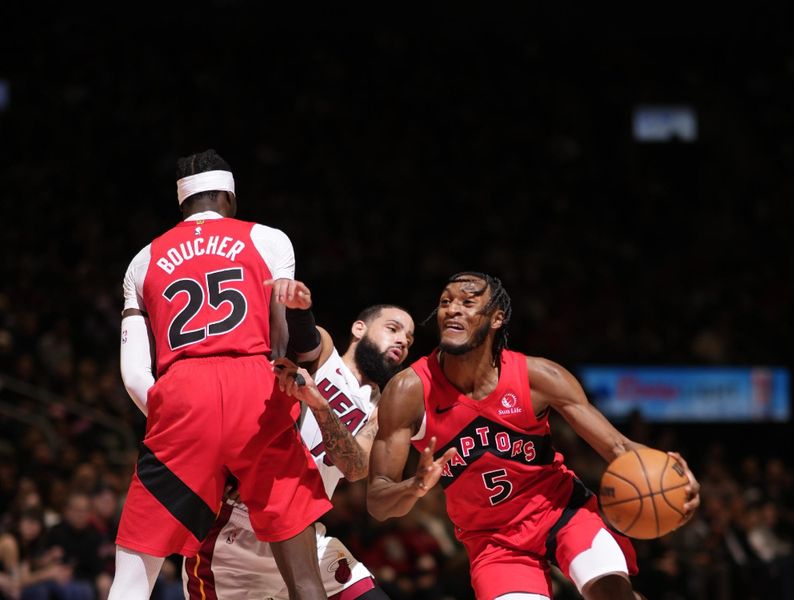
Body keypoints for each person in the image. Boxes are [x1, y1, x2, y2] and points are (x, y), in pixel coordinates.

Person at [367, 272, 702, 600]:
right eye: (445, 302)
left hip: (562, 512)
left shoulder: (537, 376)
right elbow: (378, 501)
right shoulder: (409, 391)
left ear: (496, 319)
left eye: (468, 303)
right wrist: (414, 486)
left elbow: (619, 446)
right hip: (493, 542)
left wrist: (671, 474)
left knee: (610, 592)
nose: (452, 309)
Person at [110, 149, 332, 600]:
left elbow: (134, 374)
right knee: (306, 581)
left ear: (182, 204)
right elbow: (285, 341)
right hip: (256, 388)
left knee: (132, 581)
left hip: (181, 390)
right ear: (229, 199)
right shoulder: (270, 239)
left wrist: (174, 414)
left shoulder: (142, 260)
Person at [183, 304, 415, 600]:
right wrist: (299, 306)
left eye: (408, 340)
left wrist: (321, 405)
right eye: (393, 329)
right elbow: (303, 337)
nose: (402, 341)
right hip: (243, 526)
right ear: (359, 329)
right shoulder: (326, 355)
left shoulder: (380, 409)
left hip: (305, 531)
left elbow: (355, 469)